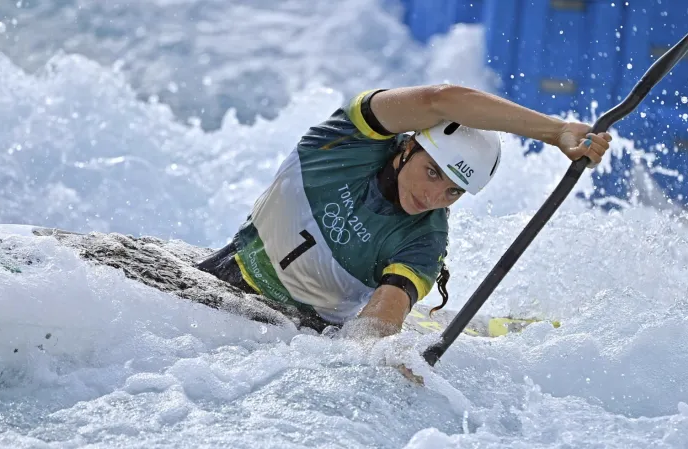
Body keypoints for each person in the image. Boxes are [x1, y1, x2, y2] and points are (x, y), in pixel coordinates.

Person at [196, 84, 611, 338]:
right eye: (432, 172)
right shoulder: (345, 140)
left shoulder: (425, 241)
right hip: (224, 273)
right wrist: (555, 131)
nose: (433, 198)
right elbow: (440, 99)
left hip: (302, 332)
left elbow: (377, 324)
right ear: (408, 147)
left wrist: (374, 355)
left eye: (453, 191)